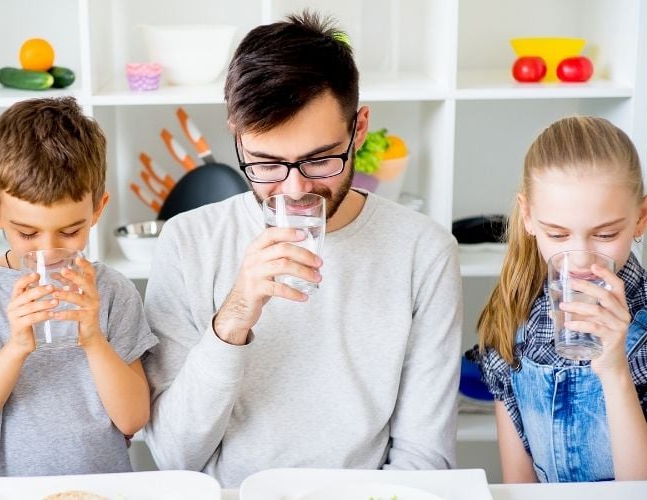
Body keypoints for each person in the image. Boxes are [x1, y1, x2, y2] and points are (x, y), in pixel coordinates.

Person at [142, 11, 463, 487]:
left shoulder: (424, 251)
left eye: (318, 159)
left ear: (359, 130)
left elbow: (424, 458)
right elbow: (174, 458)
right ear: (238, 138)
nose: (294, 191)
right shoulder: (187, 242)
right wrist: (233, 318)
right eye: (267, 164)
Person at [469, 115, 647, 482]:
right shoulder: (514, 317)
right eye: (557, 235)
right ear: (528, 216)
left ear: (642, 216)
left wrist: (614, 370)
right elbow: (521, 487)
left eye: (605, 234)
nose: (579, 259)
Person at [0, 97, 157, 479]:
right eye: (27, 232)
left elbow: (133, 418)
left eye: (71, 231)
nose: (47, 250)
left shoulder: (113, 292)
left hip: (101, 488)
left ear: (97, 210)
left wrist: (93, 339)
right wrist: (17, 347)